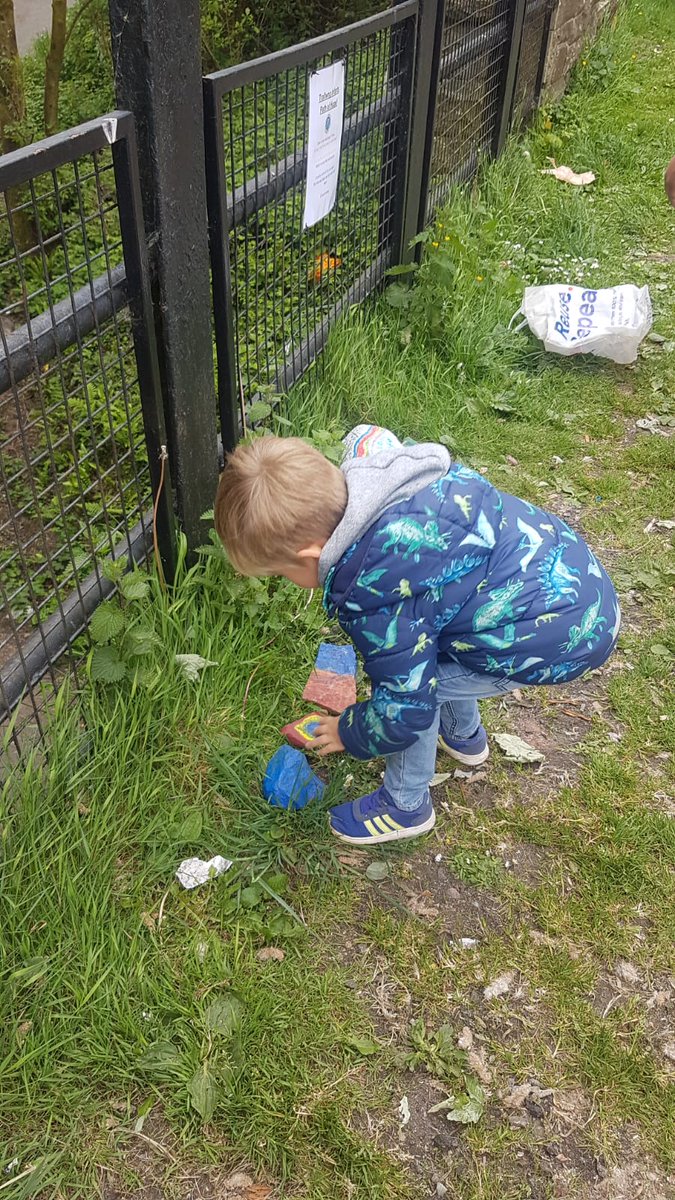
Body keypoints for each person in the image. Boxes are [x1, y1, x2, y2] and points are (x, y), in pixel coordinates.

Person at [214, 425, 620, 846]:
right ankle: (464, 738)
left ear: (308, 558)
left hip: (561, 640)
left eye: (282, 574)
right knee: (439, 645)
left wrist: (349, 731)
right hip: (580, 585)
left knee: (417, 693)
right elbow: (371, 437)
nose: (286, 581)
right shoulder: (389, 479)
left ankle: (406, 804)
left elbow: (404, 706)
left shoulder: (376, 592)